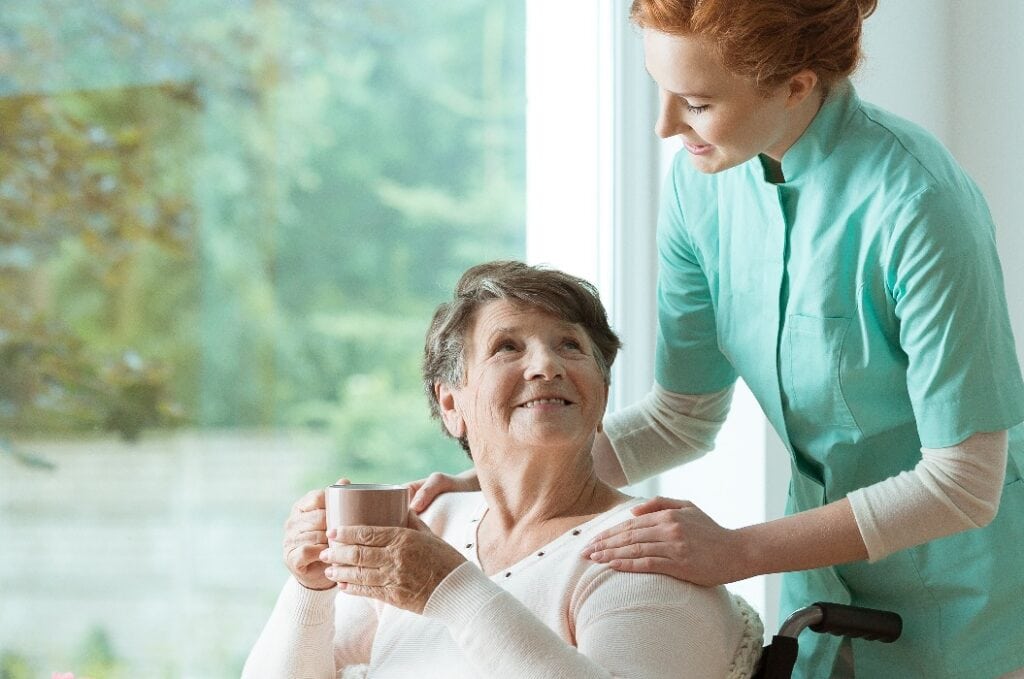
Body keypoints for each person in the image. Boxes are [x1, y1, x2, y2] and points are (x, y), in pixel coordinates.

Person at [409, 2, 1024, 678]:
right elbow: (683, 417)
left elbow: (964, 483)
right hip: (821, 591)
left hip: (979, 601)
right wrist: (500, 476)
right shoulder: (699, 189)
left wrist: (736, 550)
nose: (665, 125)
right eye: (661, 90)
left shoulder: (918, 204)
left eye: (697, 103)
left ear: (797, 84)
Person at [241, 261, 763, 679]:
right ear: (451, 405)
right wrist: (310, 588)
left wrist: (449, 589)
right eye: (507, 347)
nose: (546, 366)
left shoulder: (648, 547)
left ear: (601, 398)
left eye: (570, 346)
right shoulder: (430, 521)